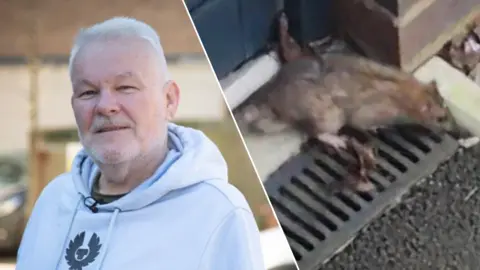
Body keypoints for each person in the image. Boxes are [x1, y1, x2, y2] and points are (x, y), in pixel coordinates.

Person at [16, 17, 266, 270]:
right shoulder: (53, 200)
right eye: (88, 92)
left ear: (169, 100)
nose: (105, 106)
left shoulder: (218, 213)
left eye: (125, 87)